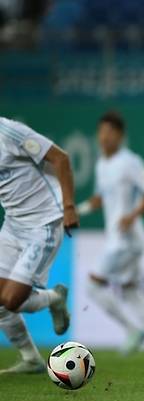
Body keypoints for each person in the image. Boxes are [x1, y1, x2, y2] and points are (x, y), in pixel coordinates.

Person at [77, 111, 144, 355]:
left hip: (126, 240)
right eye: (102, 131)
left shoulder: (129, 161)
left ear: (120, 136)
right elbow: (99, 199)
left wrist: (133, 214)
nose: (105, 137)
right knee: (129, 290)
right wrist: (77, 210)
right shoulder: (101, 164)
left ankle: (131, 330)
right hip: (119, 239)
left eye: (111, 132)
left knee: (92, 286)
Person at [0, 116, 78, 374]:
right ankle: (31, 359)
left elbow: (61, 158)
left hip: (44, 222)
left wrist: (69, 207)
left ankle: (55, 298)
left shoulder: (10, 133)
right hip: (13, 225)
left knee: (11, 300)